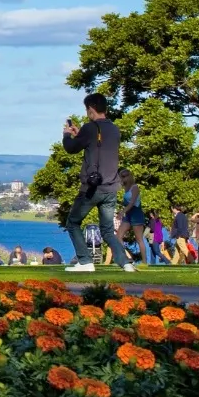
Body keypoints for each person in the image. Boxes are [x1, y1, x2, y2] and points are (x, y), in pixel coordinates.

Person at [59, 93, 134, 273]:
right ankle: (125, 263)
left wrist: (67, 136)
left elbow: (71, 148)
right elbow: (96, 145)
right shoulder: (115, 129)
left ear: (91, 109)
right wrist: (80, 135)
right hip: (111, 187)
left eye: (87, 110)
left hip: (93, 187)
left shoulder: (91, 128)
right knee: (107, 230)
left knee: (73, 222)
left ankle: (85, 261)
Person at [119, 171, 154, 265]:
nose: (122, 178)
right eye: (121, 176)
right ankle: (125, 258)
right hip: (128, 214)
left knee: (139, 239)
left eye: (124, 176)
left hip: (136, 213)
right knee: (118, 236)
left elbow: (132, 203)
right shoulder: (125, 188)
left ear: (129, 176)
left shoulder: (135, 187)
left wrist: (122, 212)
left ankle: (144, 262)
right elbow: (126, 203)